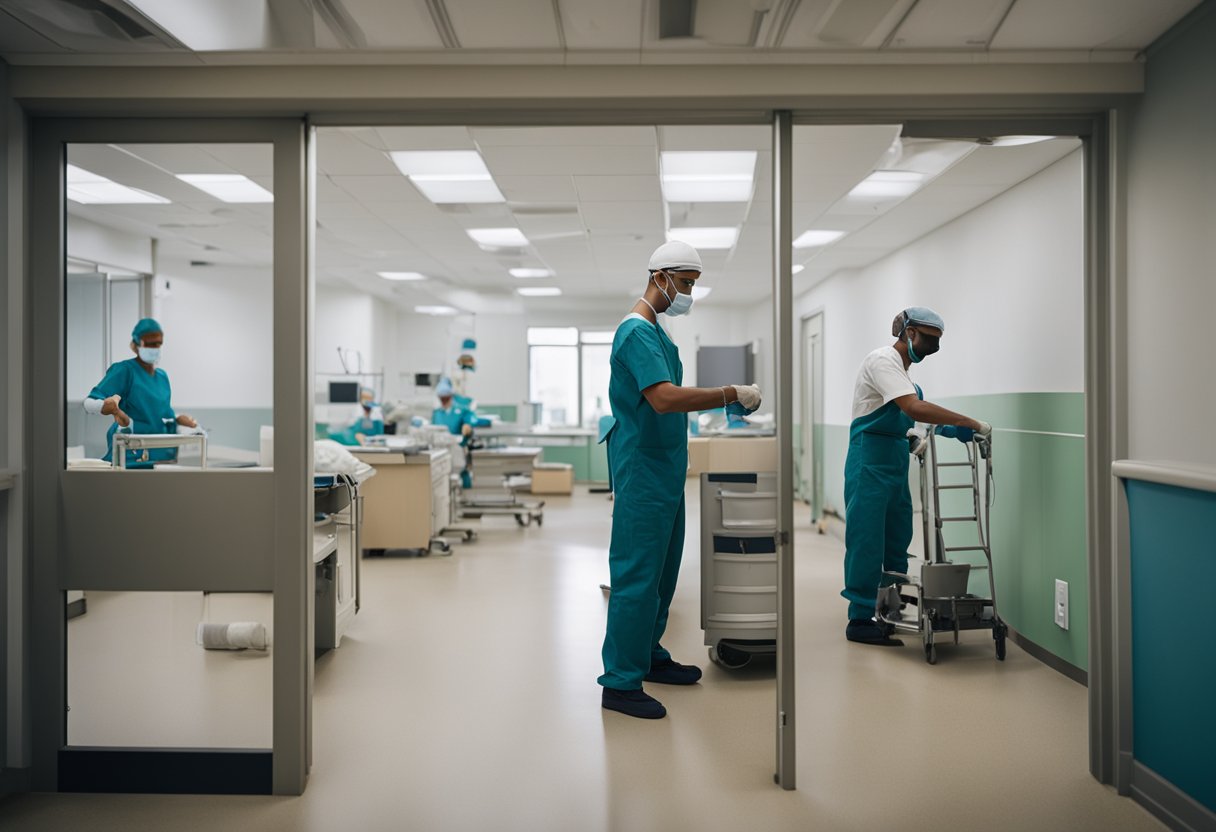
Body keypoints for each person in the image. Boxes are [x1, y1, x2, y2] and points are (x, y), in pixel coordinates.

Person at [598, 240, 761, 720]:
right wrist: (730, 391)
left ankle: (648, 655)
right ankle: (620, 682)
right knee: (636, 576)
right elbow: (664, 399)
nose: (686, 293)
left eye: (691, 284)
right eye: (685, 284)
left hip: (665, 469)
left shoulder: (657, 333)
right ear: (660, 276)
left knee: (664, 574)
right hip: (642, 471)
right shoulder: (634, 333)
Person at [841, 307, 991, 646]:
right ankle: (860, 617)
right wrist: (970, 421)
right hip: (869, 459)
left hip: (894, 460)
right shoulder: (882, 361)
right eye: (928, 338)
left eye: (937, 340)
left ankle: (887, 606)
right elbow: (913, 409)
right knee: (867, 539)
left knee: (897, 537)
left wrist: (958, 432)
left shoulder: (907, 377)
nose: (931, 345)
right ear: (908, 332)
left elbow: (916, 417)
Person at [83, 317, 197, 467]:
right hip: (130, 455)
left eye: (158, 344)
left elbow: (155, 413)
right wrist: (104, 406)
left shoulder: (162, 377)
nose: (154, 347)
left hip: (160, 456)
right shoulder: (125, 370)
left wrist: (176, 418)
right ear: (136, 345)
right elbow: (88, 402)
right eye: (149, 344)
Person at [432, 376, 490, 488]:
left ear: (451, 396)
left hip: (457, 448)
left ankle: (467, 495)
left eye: (446, 398)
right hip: (441, 449)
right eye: (441, 399)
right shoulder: (437, 413)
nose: (444, 402)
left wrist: (468, 426)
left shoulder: (461, 410)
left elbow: (470, 420)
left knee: (461, 470)